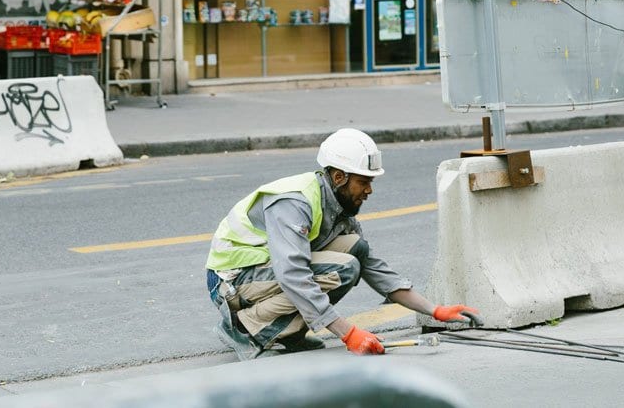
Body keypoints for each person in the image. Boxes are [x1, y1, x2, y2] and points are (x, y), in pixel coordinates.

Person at [205, 128, 478, 360]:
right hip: (232, 282)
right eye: (364, 182)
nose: (369, 190)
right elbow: (293, 274)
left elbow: (373, 267)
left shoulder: (337, 206)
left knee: (354, 248)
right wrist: (347, 333)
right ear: (339, 177)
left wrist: (434, 310)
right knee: (343, 268)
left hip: (261, 275)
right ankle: (245, 329)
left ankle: (288, 333)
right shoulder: (294, 202)